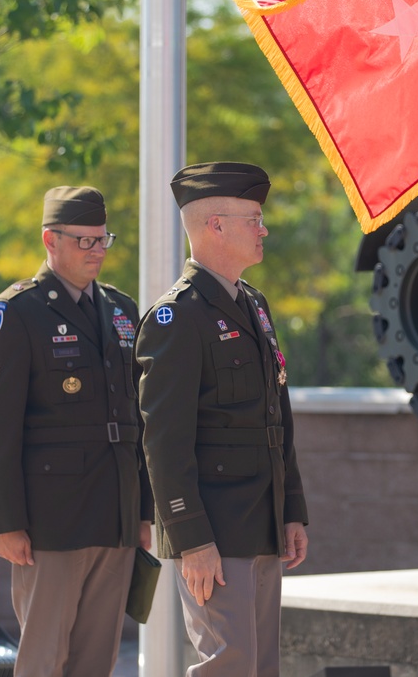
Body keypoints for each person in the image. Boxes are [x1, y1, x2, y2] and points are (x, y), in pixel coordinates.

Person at [0, 185, 153, 677]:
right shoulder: (15, 313)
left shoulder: (120, 310)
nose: (96, 251)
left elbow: (137, 419)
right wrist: (3, 521)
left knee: (98, 660)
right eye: (83, 241)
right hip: (50, 523)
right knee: (45, 660)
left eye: (102, 240)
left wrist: (143, 511)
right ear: (50, 240)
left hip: (114, 515)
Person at [136, 161, 308, 677]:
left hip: (262, 519)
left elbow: (277, 418)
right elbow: (163, 443)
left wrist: (292, 509)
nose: (264, 229)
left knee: (261, 666)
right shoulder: (176, 316)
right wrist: (191, 539)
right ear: (216, 225)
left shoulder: (253, 305)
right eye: (254, 218)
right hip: (214, 529)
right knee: (228, 665)